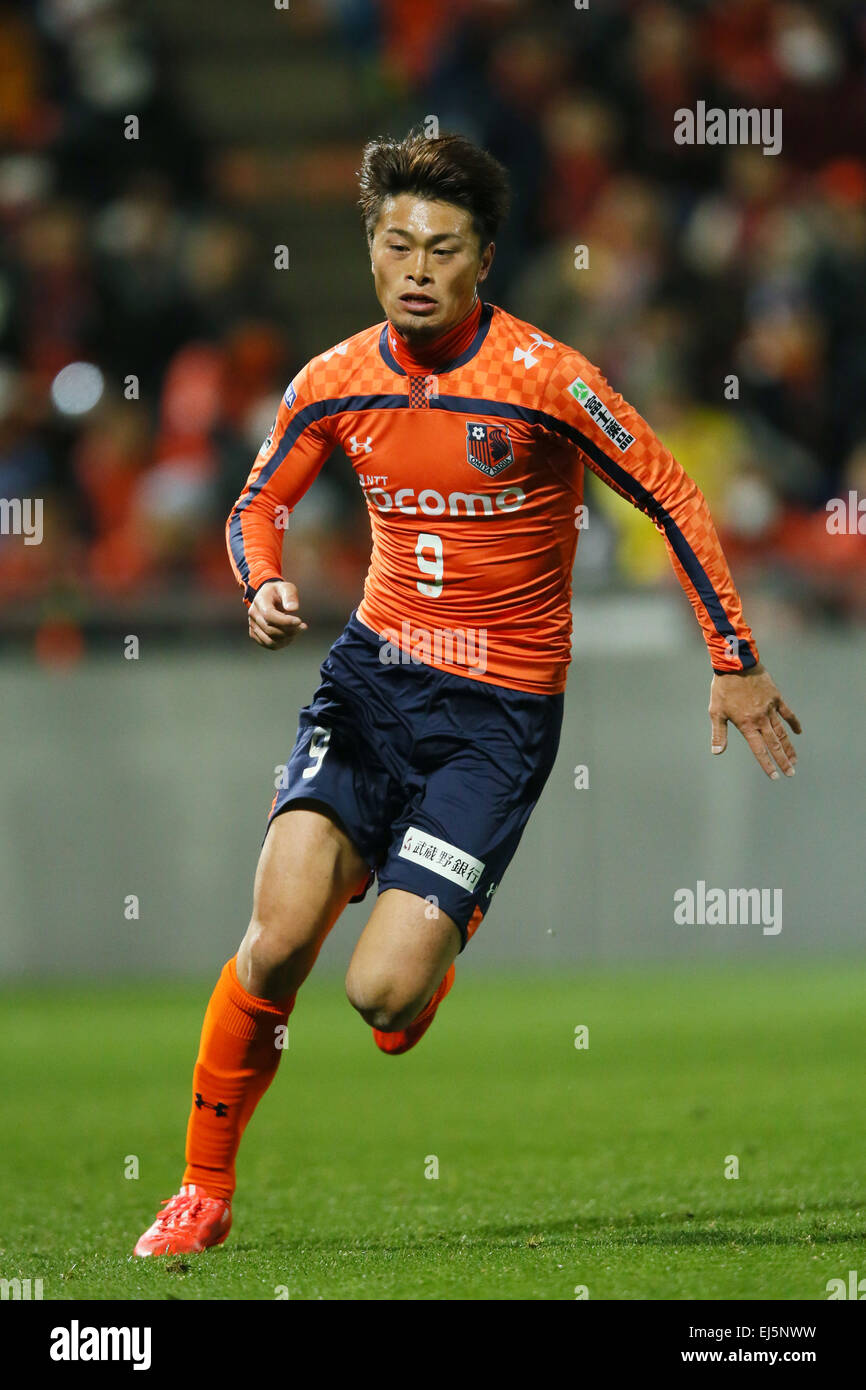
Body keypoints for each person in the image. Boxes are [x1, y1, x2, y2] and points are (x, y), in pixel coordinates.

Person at [133, 130, 800, 1256]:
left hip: (495, 720)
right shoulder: (332, 379)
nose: (416, 268)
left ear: (480, 258)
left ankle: (431, 937)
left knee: (382, 998)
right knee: (279, 936)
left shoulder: (548, 380)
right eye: (397, 243)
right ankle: (202, 1187)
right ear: (372, 248)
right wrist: (260, 583)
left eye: (441, 248)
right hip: (370, 682)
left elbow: (675, 497)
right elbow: (256, 503)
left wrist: (731, 655)